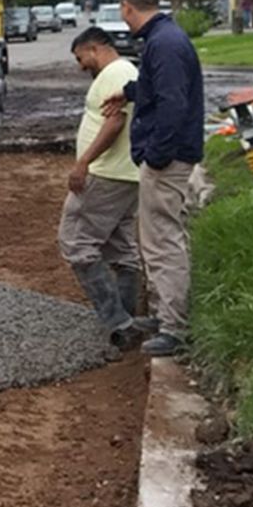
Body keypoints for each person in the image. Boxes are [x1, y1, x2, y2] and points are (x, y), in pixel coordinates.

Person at [101, 0, 204, 357]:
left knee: (162, 242)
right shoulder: (164, 39)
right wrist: (128, 94)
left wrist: (156, 154)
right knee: (161, 237)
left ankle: (174, 328)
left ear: (128, 7)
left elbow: (172, 103)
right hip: (170, 153)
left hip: (169, 157)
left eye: (122, 12)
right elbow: (155, 87)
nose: (124, 20)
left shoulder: (164, 44)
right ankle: (163, 315)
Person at [59, 27, 156, 351]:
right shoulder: (124, 72)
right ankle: (127, 320)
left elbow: (114, 123)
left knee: (76, 242)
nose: (80, 65)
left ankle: (118, 321)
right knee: (121, 248)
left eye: (80, 58)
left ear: (94, 48)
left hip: (107, 176)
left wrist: (84, 161)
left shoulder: (117, 72)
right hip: (124, 175)